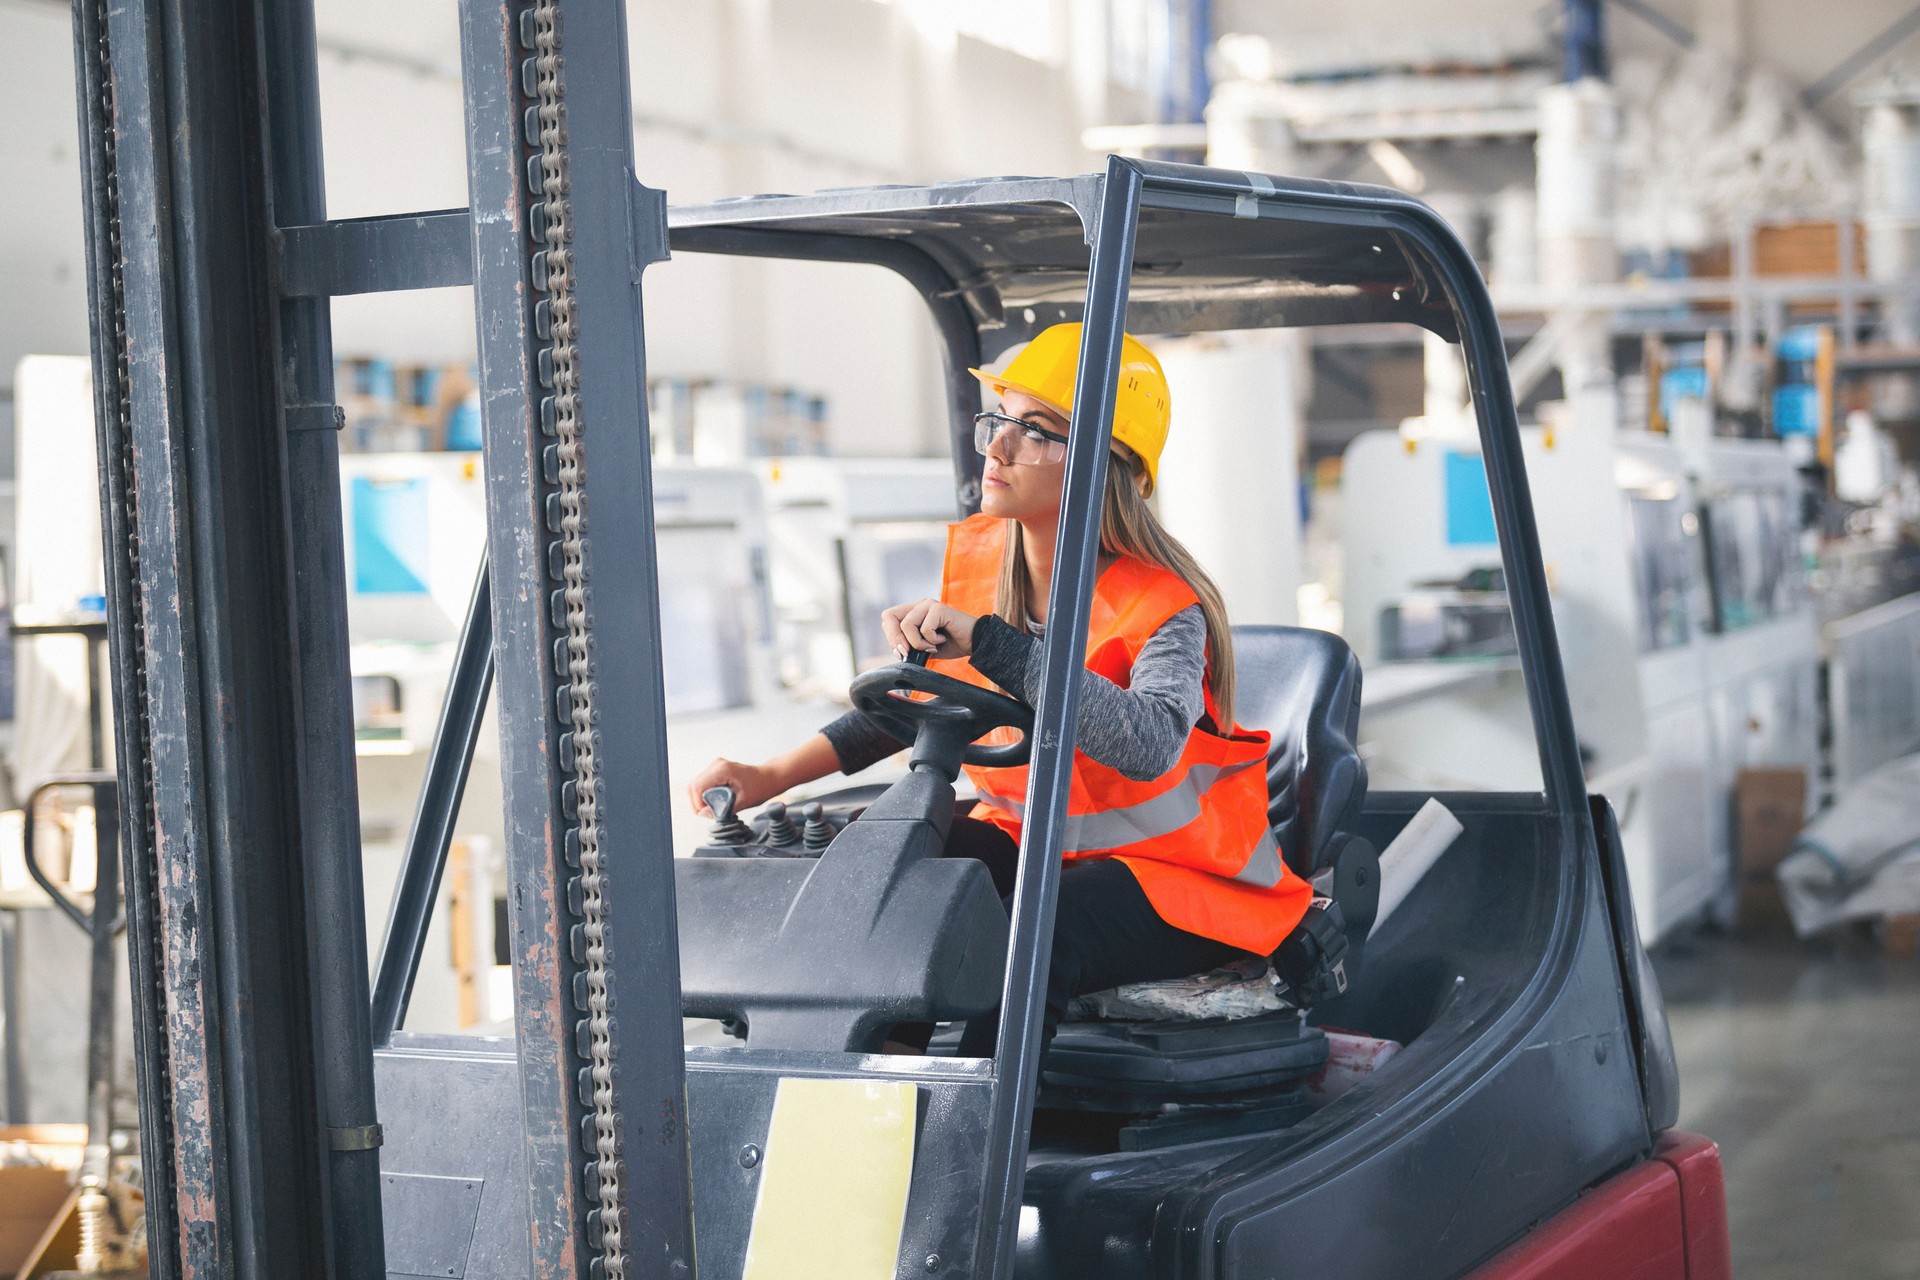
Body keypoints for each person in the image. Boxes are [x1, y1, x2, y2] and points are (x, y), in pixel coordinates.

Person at [686, 322, 1313, 1055]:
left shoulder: (1165, 607)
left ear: (1105, 464)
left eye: (1036, 430)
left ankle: (975, 1155)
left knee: (1036, 930)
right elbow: (915, 708)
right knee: (880, 872)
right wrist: (770, 776)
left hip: (1182, 880)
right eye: (998, 420)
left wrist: (993, 644)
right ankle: (859, 1106)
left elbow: (1146, 744)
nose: (999, 447)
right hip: (1040, 844)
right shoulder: (986, 575)